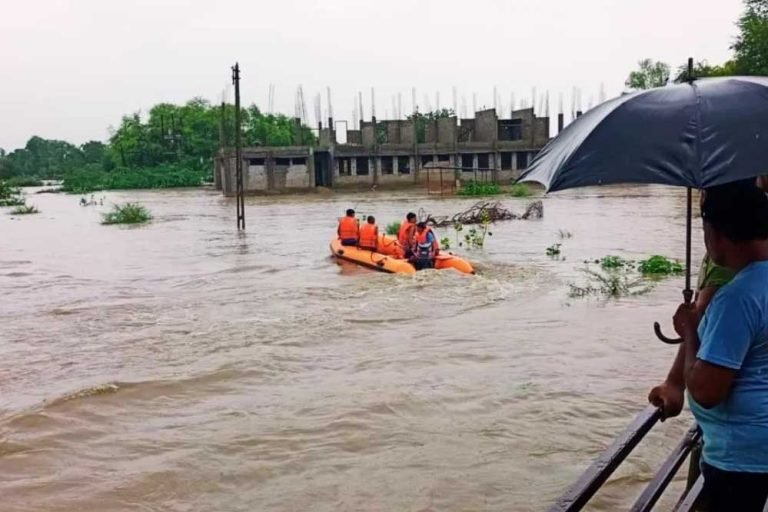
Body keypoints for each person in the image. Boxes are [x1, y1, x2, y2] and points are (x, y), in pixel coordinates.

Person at [658, 183, 768, 511]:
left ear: (714, 234)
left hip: (741, 457)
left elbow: (706, 390)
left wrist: (691, 331)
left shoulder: (739, 297)